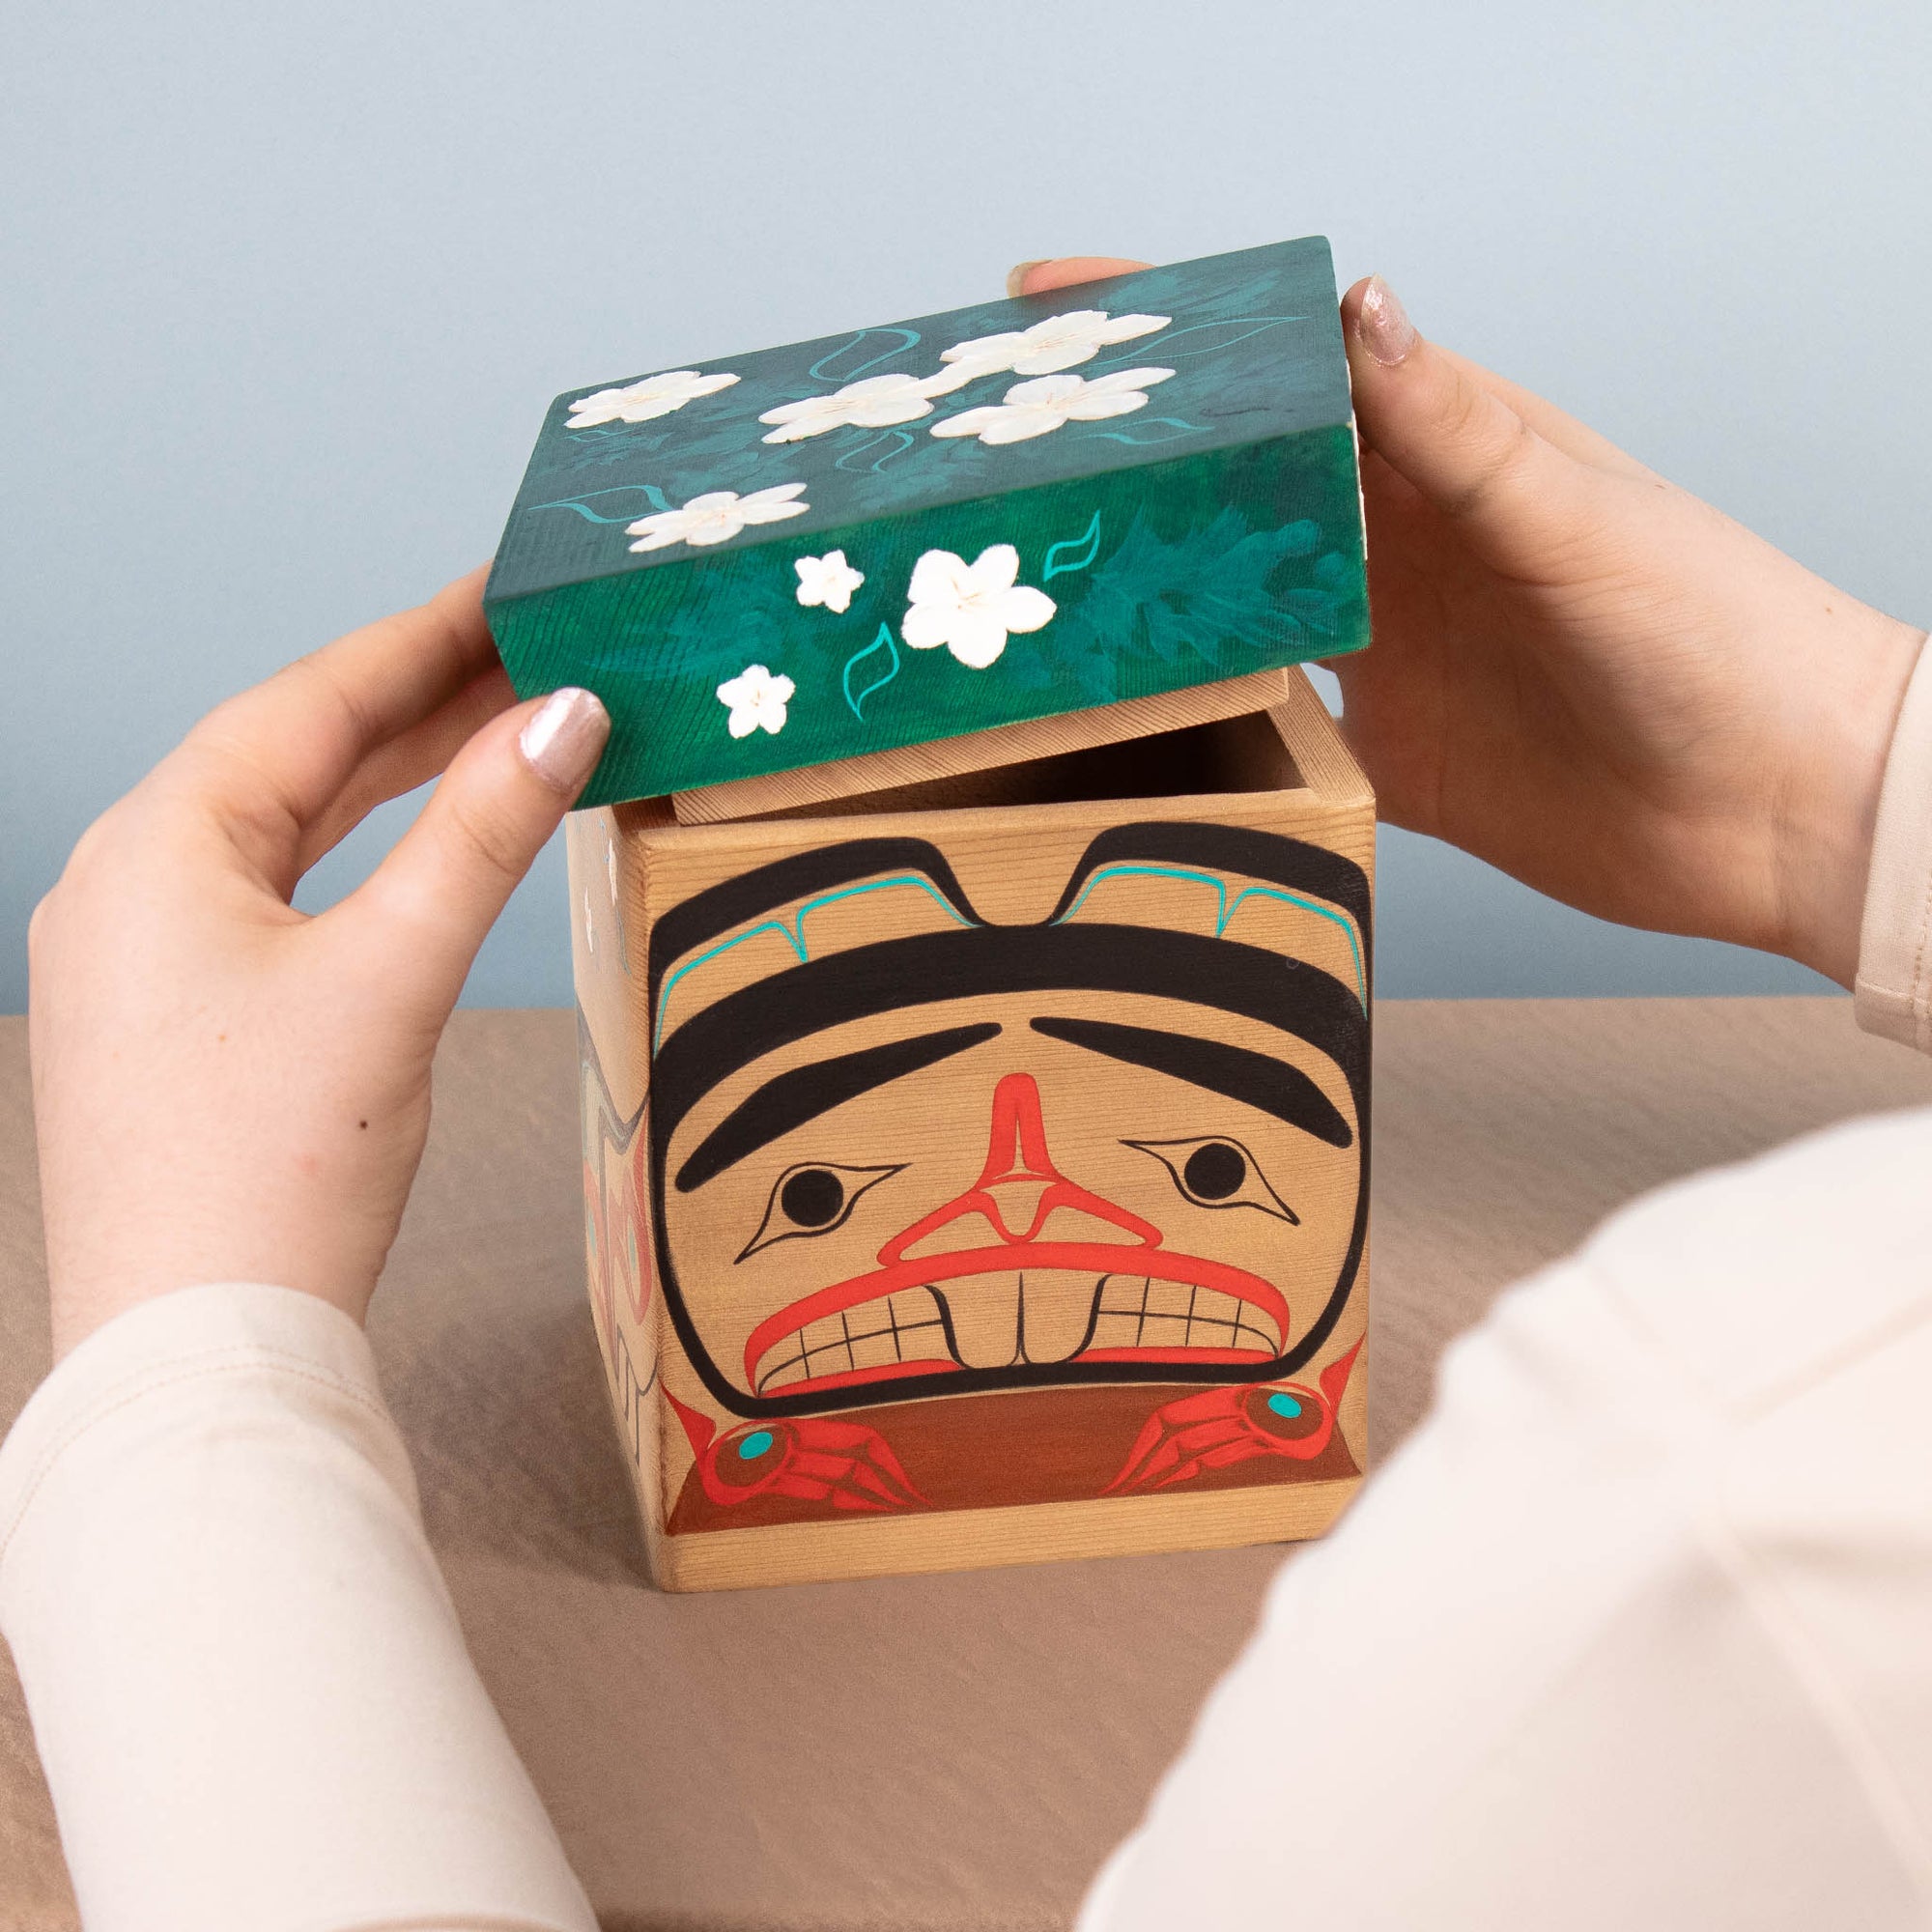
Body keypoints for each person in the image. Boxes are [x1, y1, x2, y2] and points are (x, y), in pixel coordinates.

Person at [4, 259, 1927, 1932]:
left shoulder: (1727, 1459)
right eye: (832, 1185)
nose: (1016, 1196)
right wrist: (1841, 785)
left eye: (1191, 1148)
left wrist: (195, 1372)